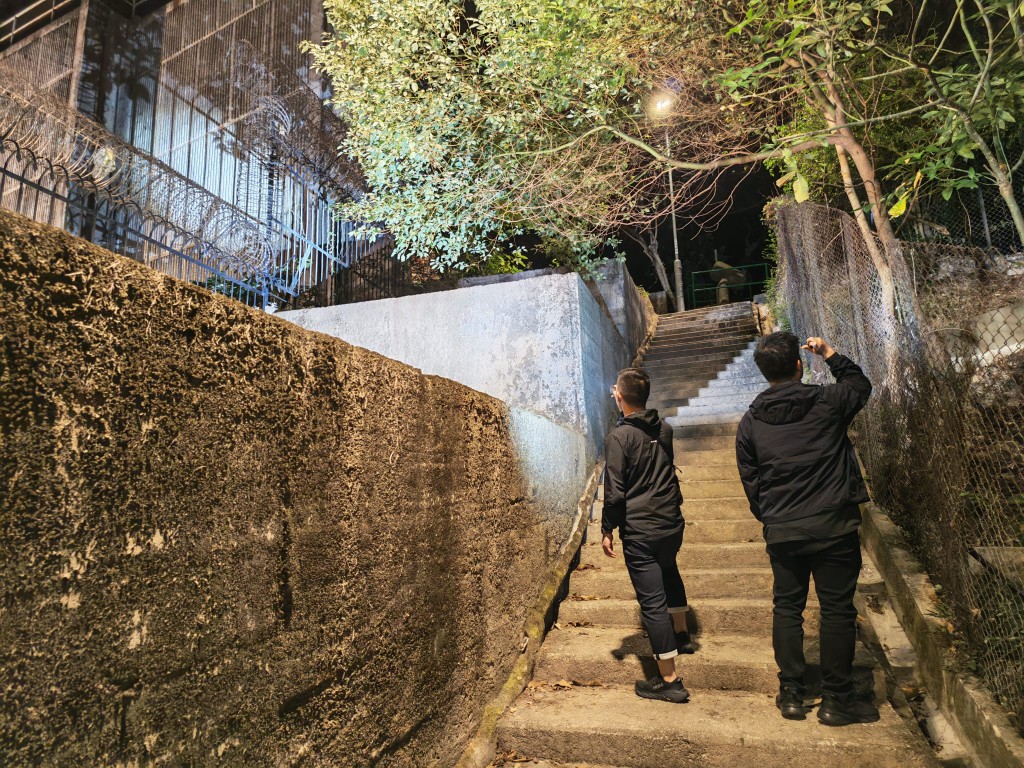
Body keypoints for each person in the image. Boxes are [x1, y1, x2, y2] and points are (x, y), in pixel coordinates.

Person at [735, 332, 879, 726]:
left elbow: (751, 482)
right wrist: (830, 353)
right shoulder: (828, 402)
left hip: (783, 530)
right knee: (835, 611)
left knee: (787, 608)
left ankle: (792, 694)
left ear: (764, 373)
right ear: (799, 366)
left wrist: (773, 518)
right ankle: (837, 700)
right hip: (833, 525)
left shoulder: (750, 423)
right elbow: (860, 385)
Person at [602, 367, 692, 704]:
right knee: (670, 570)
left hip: (641, 529)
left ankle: (669, 679)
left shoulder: (619, 438)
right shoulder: (664, 428)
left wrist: (607, 528)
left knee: (652, 602)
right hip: (671, 523)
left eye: (616, 392)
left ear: (620, 397)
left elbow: (614, 492)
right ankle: (682, 634)